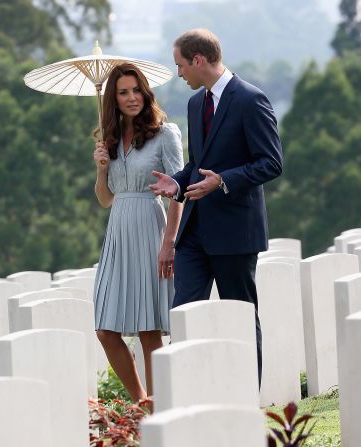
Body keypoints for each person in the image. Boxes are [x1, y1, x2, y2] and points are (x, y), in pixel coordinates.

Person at [149, 29, 283, 384]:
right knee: (183, 314)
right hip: (195, 234)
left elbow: (271, 162)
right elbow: (199, 163)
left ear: (199, 60)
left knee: (240, 315)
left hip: (235, 233)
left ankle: (244, 402)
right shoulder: (196, 104)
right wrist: (178, 182)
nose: (178, 74)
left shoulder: (251, 100)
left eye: (180, 65)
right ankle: (189, 396)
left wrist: (222, 181)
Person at [92, 62, 184, 403]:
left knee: (149, 329)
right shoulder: (110, 141)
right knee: (105, 329)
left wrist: (169, 243)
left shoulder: (165, 134)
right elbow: (105, 200)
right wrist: (102, 169)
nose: (132, 98)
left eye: (136, 90)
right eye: (123, 92)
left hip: (151, 226)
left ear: (145, 92)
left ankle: (160, 413)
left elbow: (179, 191)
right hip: (118, 232)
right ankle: (142, 401)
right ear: (113, 100)